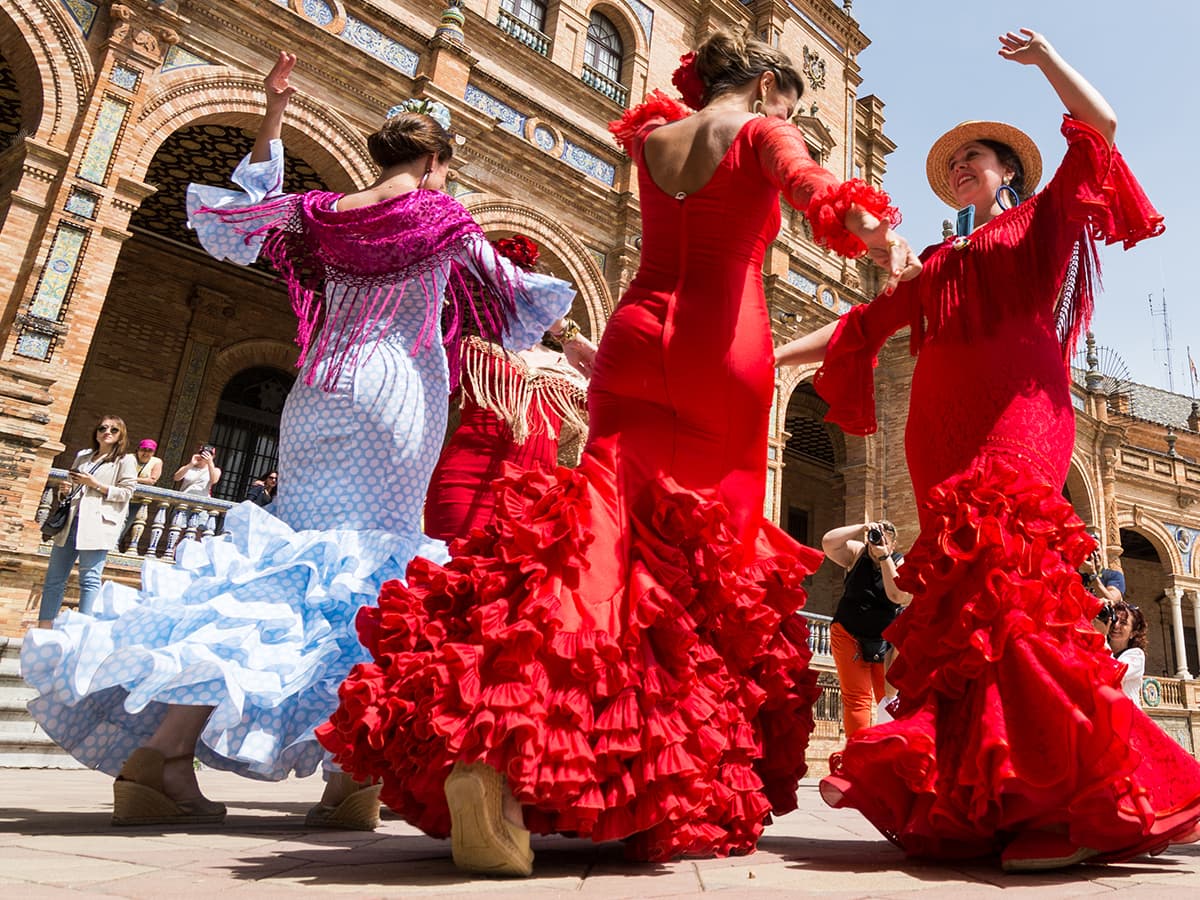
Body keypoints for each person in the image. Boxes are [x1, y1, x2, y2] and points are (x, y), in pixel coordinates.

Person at [318, 28, 918, 877]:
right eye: (789, 104)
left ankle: (497, 749)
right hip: (723, 353)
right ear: (766, 86)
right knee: (704, 569)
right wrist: (876, 230)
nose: (793, 117)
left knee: (593, 543)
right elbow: (819, 191)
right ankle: (641, 771)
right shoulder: (759, 130)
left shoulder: (653, 137)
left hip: (634, 337)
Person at [21, 51, 578, 831]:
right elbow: (508, 291)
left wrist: (275, 112)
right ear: (433, 162)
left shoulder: (322, 214)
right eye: (445, 169)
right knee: (375, 573)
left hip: (315, 393)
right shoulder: (440, 215)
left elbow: (246, 211)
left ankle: (164, 754)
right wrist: (572, 344)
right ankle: (350, 777)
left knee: (283, 563)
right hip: (393, 394)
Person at [776, 28, 1200, 870]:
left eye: (978, 157)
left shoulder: (1040, 225)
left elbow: (1103, 127)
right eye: (954, 163)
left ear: (1009, 169)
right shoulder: (937, 260)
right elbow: (861, 326)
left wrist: (1044, 63)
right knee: (966, 610)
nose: (964, 167)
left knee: (1013, 584)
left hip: (1020, 416)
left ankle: (1058, 796)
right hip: (937, 434)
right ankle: (993, 794)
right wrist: (764, 351)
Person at [425, 235, 592, 543]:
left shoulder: (571, 366)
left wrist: (572, 336)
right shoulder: (469, 345)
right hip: (462, 483)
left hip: (534, 501)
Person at [37, 416, 138, 628]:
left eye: (113, 430)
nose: (107, 432)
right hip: (71, 522)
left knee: (90, 579)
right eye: (102, 428)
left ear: (121, 435)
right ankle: (44, 628)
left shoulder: (125, 460)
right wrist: (64, 491)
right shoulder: (83, 456)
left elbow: (127, 493)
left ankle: (83, 630)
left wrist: (95, 484)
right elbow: (71, 486)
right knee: (54, 579)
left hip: (98, 524)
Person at [821, 520, 909, 737]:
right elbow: (828, 542)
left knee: (888, 697)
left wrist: (884, 556)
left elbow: (897, 596)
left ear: (894, 543)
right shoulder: (858, 553)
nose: (876, 543)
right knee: (856, 698)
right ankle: (856, 755)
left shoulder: (900, 562)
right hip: (848, 632)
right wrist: (863, 527)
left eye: (883, 539)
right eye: (875, 538)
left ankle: (886, 749)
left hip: (884, 641)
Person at [1095, 600, 1147, 706]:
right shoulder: (1098, 646)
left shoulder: (1137, 655)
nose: (1116, 625)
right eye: (1115, 620)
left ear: (1133, 633)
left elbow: (1114, 673)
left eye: (1123, 623)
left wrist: (1102, 637)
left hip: (1126, 718)